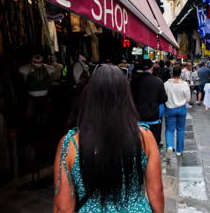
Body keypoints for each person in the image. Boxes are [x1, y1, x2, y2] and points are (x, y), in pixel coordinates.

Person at [53, 64, 164, 213]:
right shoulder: (144, 137)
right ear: (126, 95)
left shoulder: (70, 143)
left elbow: (63, 206)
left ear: (89, 95)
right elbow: (156, 191)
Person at [130, 59, 168, 145]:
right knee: (153, 142)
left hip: (138, 116)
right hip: (153, 117)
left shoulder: (134, 81)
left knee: (139, 142)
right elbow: (163, 98)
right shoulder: (158, 81)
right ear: (152, 68)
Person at [163, 66, 191, 159]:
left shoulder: (166, 84)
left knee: (169, 129)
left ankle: (170, 146)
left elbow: (163, 96)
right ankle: (179, 151)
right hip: (181, 108)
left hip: (170, 108)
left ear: (172, 73)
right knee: (180, 129)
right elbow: (188, 98)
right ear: (180, 74)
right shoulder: (184, 84)